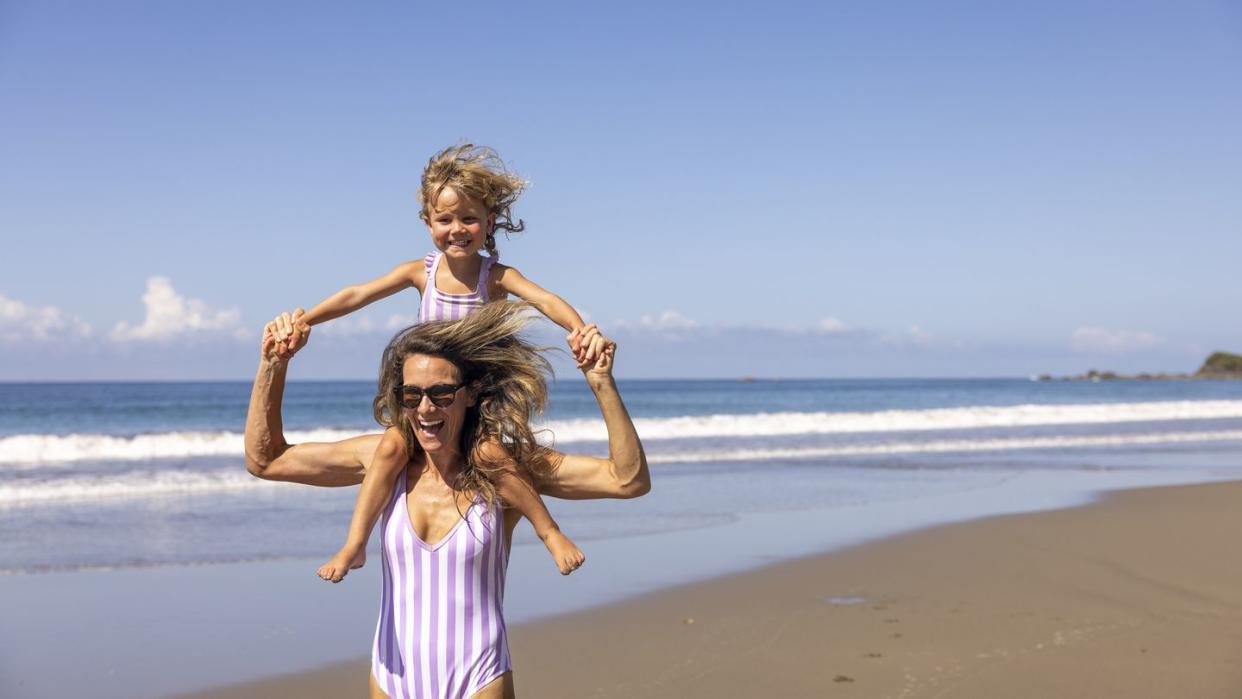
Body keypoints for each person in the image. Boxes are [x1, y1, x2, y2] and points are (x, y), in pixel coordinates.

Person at [245, 301, 649, 699]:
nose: (424, 408)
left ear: (470, 394)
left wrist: (601, 383)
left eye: (440, 393)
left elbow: (627, 480)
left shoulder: (506, 468)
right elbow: (266, 460)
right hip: (393, 677)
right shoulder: (385, 462)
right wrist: (272, 364)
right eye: (412, 395)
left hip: (479, 675)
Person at [272, 144, 604, 579]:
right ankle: (354, 545)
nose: (457, 229)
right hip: (427, 404)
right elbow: (357, 294)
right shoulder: (421, 272)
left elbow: (545, 300)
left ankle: (550, 532)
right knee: (390, 447)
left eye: (469, 218)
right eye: (444, 219)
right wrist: (305, 319)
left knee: (489, 455)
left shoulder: (496, 277)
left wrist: (580, 330)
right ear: (427, 222)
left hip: (477, 403)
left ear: (489, 222)